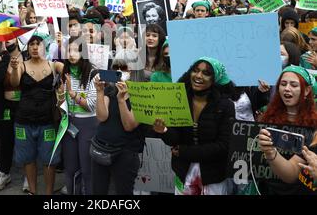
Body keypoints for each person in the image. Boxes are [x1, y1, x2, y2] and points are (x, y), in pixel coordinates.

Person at [153, 57, 235, 195]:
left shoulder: (225, 105)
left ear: (215, 79)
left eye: (206, 73)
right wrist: (164, 131)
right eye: (195, 71)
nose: (198, 76)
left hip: (213, 177)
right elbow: (174, 140)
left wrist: (186, 152)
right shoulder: (179, 99)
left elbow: (223, 146)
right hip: (183, 172)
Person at [9, 31, 64, 195]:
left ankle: (48, 193)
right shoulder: (21, 65)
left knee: (50, 160)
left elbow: (71, 67)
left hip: (47, 121)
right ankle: (32, 191)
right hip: (24, 121)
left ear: (45, 46)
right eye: (31, 44)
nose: (34, 47)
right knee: (28, 159)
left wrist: (62, 46)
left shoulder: (54, 65)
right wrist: (13, 68)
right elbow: (14, 82)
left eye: (38, 43)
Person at [257, 65, 317, 195]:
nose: (287, 89)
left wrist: (270, 152)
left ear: (307, 90)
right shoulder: (266, 117)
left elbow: (291, 174)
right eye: (283, 84)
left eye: (294, 85)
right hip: (266, 189)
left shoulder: (314, 127)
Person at [91, 57, 146, 194]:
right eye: (116, 68)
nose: (120, 72)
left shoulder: (142, 95)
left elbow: (129, 125)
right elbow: (101, 117)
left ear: (134, 70)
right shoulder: (110, 89)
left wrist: (122, 100)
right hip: (102, 147)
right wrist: (99, 92)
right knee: (98, 191)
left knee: (123, 192)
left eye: (125, 68)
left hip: (125, 153)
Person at [59, 36, 97, 194]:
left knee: (87, 170)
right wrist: (61, 96)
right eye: (70, 50)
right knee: (70, 168)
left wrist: (73, 94)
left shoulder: (92, 74)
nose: (73, 54)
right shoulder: (64, 72)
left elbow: (91, 105)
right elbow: (62, 106)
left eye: (77, 50)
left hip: (88, 124)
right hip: (70, 124)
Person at [0, 37, 24, 191]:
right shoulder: (3, 59)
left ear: (18, 39)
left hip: (24, 107)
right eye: (5, 40)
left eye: (10, 38)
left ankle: (28, 175)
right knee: (6, 140)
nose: (7, 42)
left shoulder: (27, 57)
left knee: (24, 140)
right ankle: (5, 172)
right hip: (5, 107)